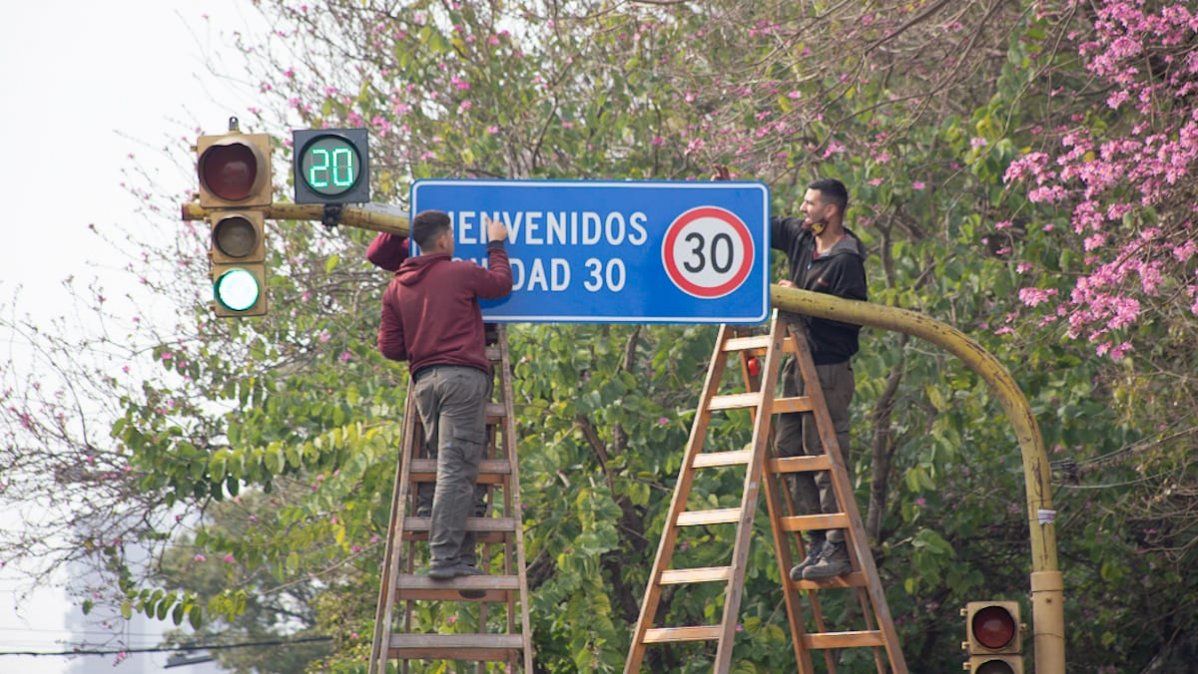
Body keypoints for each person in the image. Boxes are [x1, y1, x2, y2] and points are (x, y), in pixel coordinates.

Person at [377, 210, 513, 579]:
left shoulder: (397, 287)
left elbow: (390, 348)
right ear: (443, 240)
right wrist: (496, 243)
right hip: (461, 380)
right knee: (456, 469)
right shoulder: (459, 272)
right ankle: (444, 558)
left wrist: (425, 338)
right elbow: (501, 284)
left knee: (446, 465)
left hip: (425, 384)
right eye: (452, 234)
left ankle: (449, 542)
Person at [769, 177, 868, 581]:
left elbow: (848, 325)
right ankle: (815, 543)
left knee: (824, 453)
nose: (803, 208)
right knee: (789, 448)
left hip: (827, 368)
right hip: (797, 363)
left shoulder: (847, 262)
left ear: (830, 211)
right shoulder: (801, 238)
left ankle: (838, 546)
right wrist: (732, 190)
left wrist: (802, 300)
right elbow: (759, 223)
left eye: (810, 204)